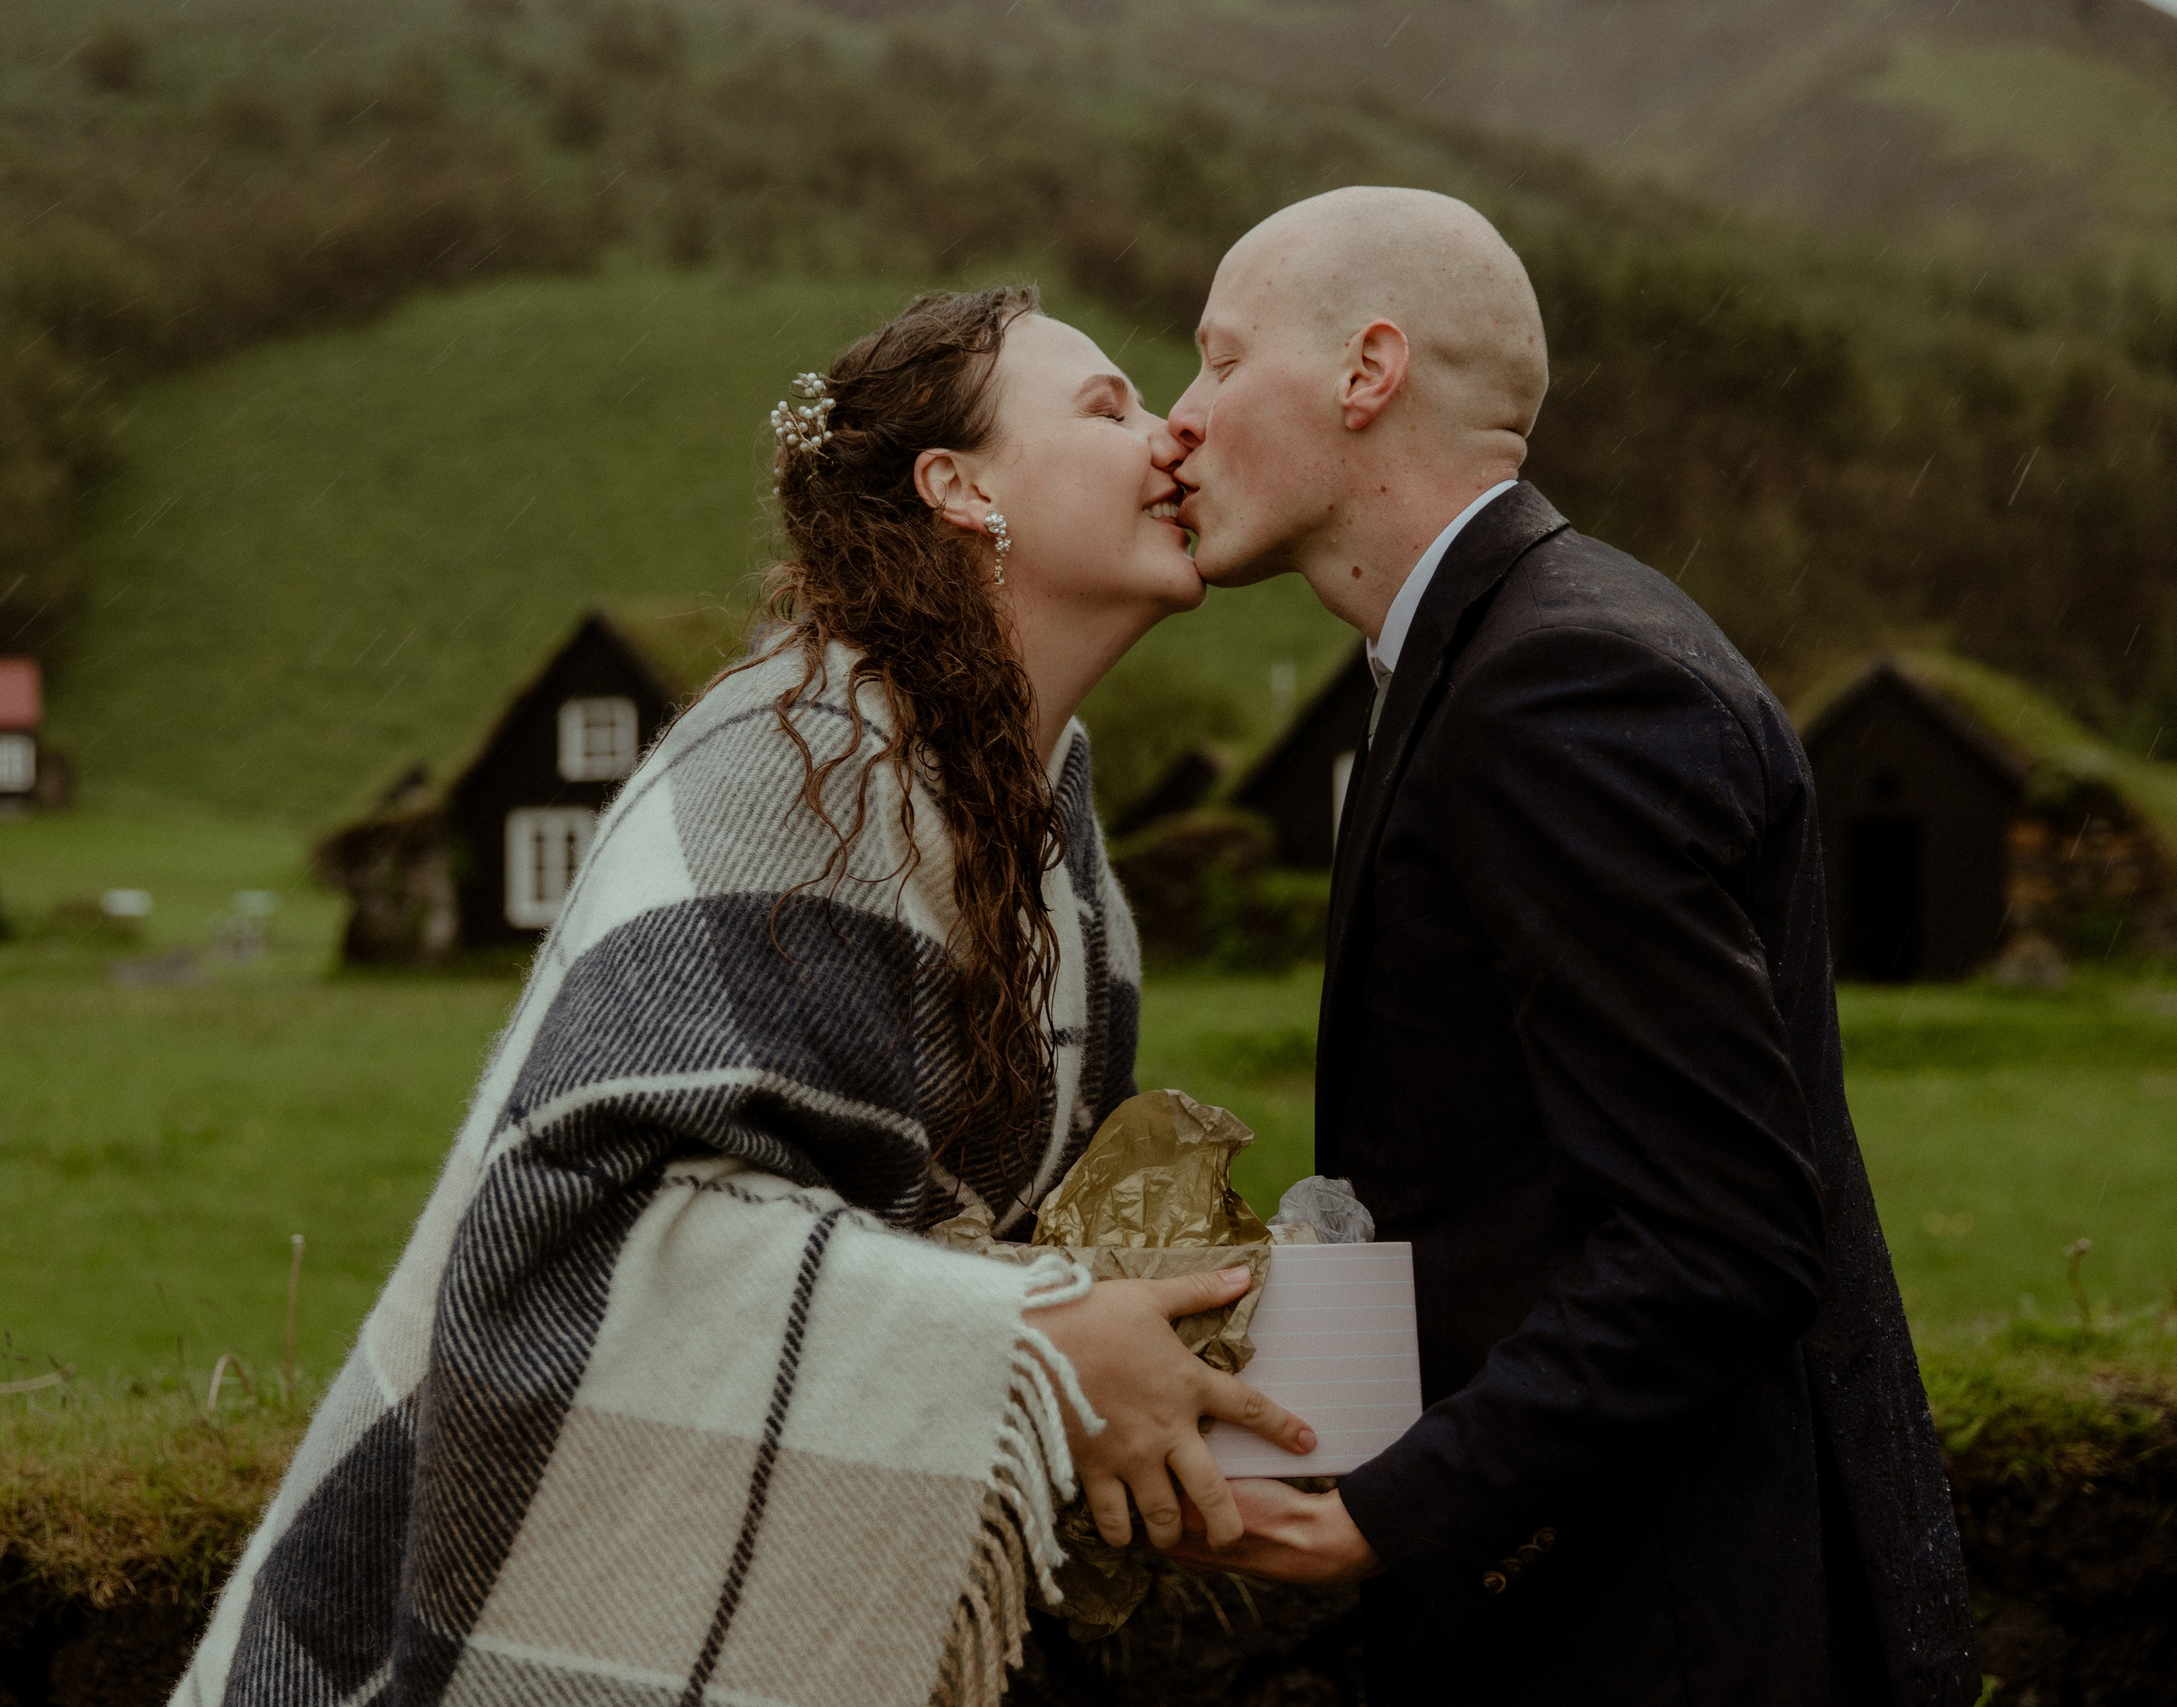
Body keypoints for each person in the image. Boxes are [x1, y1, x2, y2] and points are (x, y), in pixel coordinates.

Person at [170, 286, 1314, 1707]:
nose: (1172, 435)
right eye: (1107, 407)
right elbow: (591, 1228)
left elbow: (972, 1224)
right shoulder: (794, 770)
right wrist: (1034, 1334)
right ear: (957, 488)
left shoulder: (1044, 817)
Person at [1151, 188, 1981, 1705]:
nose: (1178, 421)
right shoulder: (1505, 652)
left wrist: (1387, 1520)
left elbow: (1717, 1240)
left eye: (1216, 361)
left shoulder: (1560, 685)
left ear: (1366, 371)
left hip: (1658, 1633)